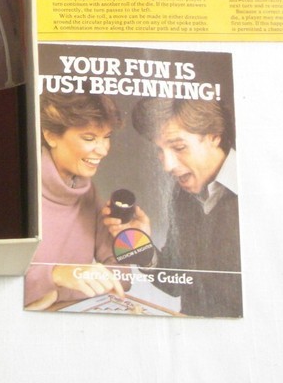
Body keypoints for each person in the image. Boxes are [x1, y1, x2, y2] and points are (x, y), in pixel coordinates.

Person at [105, 97, 242, 317]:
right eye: (159, 150)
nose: (167, 165)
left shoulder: (256, 188)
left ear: (214, 136)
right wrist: (140, 245)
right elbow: (176, 283)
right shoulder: (181, 194)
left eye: (179, 147)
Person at [24, 91, 128, 310]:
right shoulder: (19, 188)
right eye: (89, 138)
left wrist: (131, 238)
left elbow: (123, 278)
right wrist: (55, 274)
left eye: (107, 137)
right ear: (50, 136)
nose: (103, 150)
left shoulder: (87, 192)